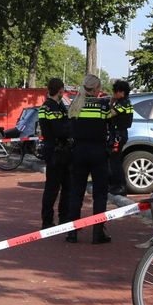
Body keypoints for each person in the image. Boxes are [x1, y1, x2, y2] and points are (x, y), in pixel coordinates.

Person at [65, 74, 112, 244]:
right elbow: (113, 121)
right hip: (98, 152)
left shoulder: (75, 106)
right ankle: (98, 232)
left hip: (78, 152)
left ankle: (72, 233)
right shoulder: (102, 107)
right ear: (96, 89)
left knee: (76, 193)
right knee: (100, 194)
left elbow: (69, 129)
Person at [38, 77, 73, 229]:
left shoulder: (51, 106)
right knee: (54, 188)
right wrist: (70, 128)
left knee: (63, 186)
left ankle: (56, 219)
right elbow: (59, 130)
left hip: (56, 150)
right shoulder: (51, 107)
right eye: (62, 91)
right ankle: (50, 220)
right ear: (59, 91)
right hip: (56, 151)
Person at [107, 80, 134, 196]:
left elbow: (109, 114)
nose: (113, 93)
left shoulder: (124, 103)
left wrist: (111, 102)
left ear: (121, 92)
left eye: (115, 91)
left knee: (115, 160)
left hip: (119, 134)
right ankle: (114, 184)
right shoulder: (121, 102)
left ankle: (121, 186)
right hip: (116, 133)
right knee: (113, 159)